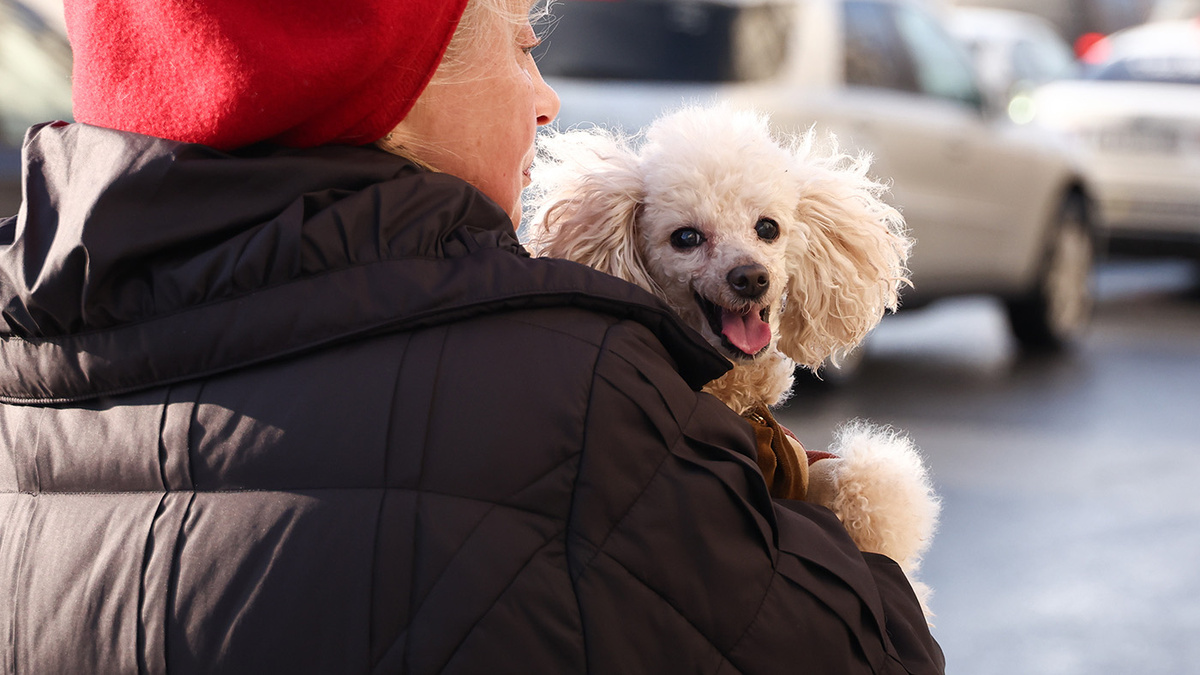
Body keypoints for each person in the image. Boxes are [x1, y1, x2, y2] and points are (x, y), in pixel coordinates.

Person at [0, 0, 944, 672]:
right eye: (523, 46)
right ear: (388, 91)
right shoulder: (574, 401)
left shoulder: (20, 400)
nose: (547, 100)